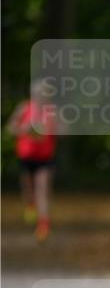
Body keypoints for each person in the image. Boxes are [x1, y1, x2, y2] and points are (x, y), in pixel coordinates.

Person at [7, 79, 58, 241]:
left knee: (42, 188)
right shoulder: (24, 108)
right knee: (28, 190)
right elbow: (10, 128)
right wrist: (25, 129)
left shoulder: (52, 111)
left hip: (45, 159)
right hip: (26, 157)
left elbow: (64, 130)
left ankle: (44, 224)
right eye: (41, 92)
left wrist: (52, 128)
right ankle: (30, 205)